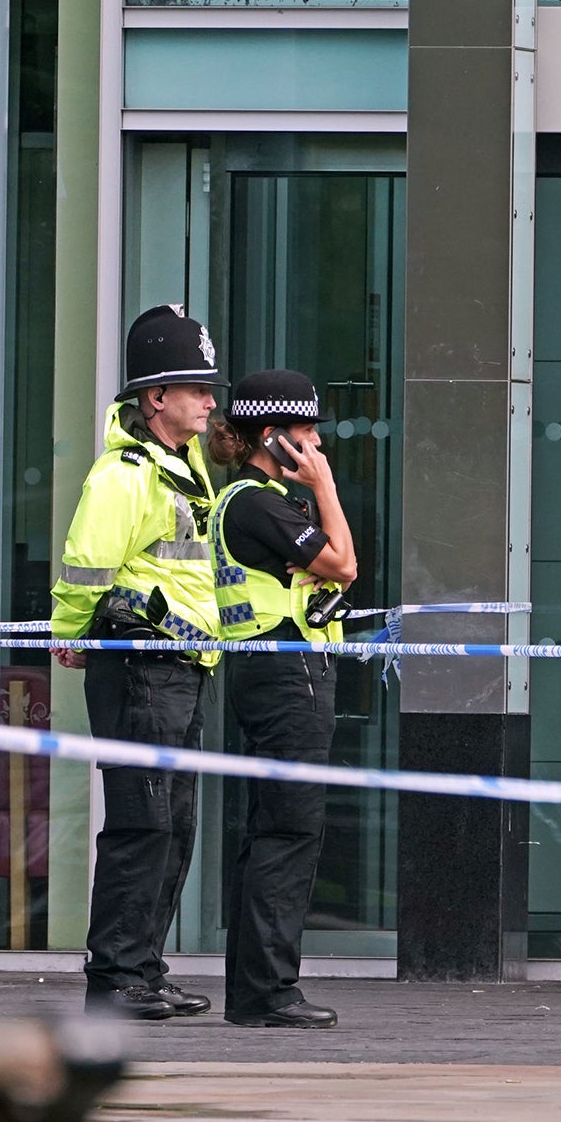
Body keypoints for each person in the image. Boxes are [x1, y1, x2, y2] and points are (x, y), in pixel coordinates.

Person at [51, 305, 225, 1021]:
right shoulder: (124, 475)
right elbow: (87, 564)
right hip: (139, 662)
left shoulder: (180, 470)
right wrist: (70, 634)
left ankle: (143, 971)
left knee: (173, 825)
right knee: (141, 823)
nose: (211, 401)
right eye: (196, 388)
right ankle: (116, 977)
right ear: (156, 397)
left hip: (181, 663)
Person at [207, 370, 357, 1029]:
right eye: (306, 431)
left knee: (276, 830)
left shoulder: (260, 497)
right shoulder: (256, 502)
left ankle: (256, 991)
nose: (318, 442)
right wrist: (323, 488)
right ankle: (269, 993)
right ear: (274, 436)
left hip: (277, 668)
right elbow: (344, 564)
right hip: (284, 671)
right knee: (289, 832)